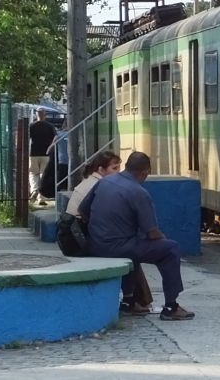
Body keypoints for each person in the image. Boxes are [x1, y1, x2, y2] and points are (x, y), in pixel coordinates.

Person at [80, 151, 193, 321]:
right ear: (145, 172)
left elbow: (83, 210)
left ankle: (128, 301)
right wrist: (162, 238)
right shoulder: (139, 193)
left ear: (126, 166)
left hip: (95, 244)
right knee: (170, 249)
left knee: (134, 246)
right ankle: (171, 306)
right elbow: (152, 232)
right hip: (118, 248)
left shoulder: (105, 182)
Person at [28, 108, 56, 206]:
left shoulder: (31, 126)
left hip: (33, 153)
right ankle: (42, 198)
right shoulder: (50, 126)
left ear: (36, 115)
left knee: (33, 173)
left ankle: (34, 190)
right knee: (43, 175)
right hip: (46, 154)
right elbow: (54, 139)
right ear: (45, 115)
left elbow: (28, 138)